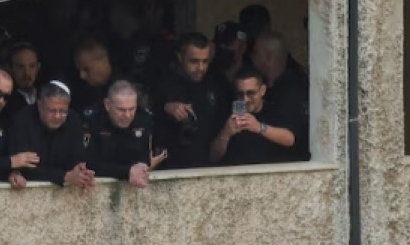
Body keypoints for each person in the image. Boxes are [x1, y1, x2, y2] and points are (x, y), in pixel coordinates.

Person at [155, 32, 227, 169]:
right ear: (180, 57)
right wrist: (164, 108)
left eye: (205, 61)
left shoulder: (215, 83)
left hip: (209, 165)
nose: (200, 68)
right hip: (173, 167)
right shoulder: (164, 85)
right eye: (194, 61)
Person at [6, 80, 95, 190]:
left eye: (63, 111)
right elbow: (24, 169)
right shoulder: (22, 121)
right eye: (52, 111)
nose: (57, 116)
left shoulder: (73, 120)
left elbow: (78, 157)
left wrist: (81, 171)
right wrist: (64, 176)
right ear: (39, 106)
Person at [209, 67, 306, 165]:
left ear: (262, 90)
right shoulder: (228, 114)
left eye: (250, 93)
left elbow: (290, 139)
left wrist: (259, 127)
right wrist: (226, 133)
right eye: (240, 94)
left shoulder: (275, 109)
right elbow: (214, 157)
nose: (245, 99)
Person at [82, 81, 164, 188]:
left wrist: (144, 166)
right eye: (121, 110)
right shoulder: (93, 122)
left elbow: (146, 156)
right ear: (107, 105)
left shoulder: (144, 119)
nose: (127, 115)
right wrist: (127, 171)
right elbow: (89, 164)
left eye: (131, 109)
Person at [250, 33, 310, 160]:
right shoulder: (270, 86)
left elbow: (291, 137)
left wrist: (257, 127)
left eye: (255, 53)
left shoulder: (292, 90)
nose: (252, 57)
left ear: (269, 57)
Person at [72, 38, 117, 111]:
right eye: (79, 70)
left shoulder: (127, 89)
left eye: (86, 69)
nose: (82, 76)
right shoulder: (79, 93)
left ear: (104, 62)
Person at [3, 41, 42, 123]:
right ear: (10, 68)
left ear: (38, 67)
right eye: (20, 67)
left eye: (32, 66)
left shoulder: (46, 95)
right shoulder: (3, 101)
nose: (27, 73)